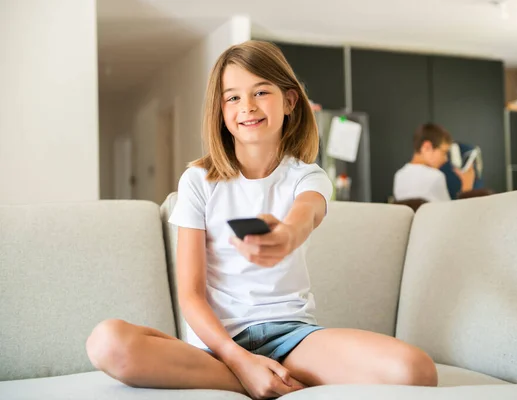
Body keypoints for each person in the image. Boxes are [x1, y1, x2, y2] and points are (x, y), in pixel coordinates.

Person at [85, 40, 438, 399]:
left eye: (261, 92)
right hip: (218, 346)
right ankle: (256, 378)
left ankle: (272, 373)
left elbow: (304, 216)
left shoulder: (308, 177)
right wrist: (240, 360)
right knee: (107, 343)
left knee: (415, 371)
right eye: (233, 97)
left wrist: (284, 236)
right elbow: (190, 296)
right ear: (220, 110)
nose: (247, 107)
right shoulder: (198, 181)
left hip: (293, 339)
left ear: (289, 101)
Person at [393, 123, 475, 203]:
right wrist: (467, 186)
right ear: (427, 147)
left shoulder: (399, 175)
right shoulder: (436, 176)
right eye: (444, 152)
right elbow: (451, 214)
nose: (445, 159)